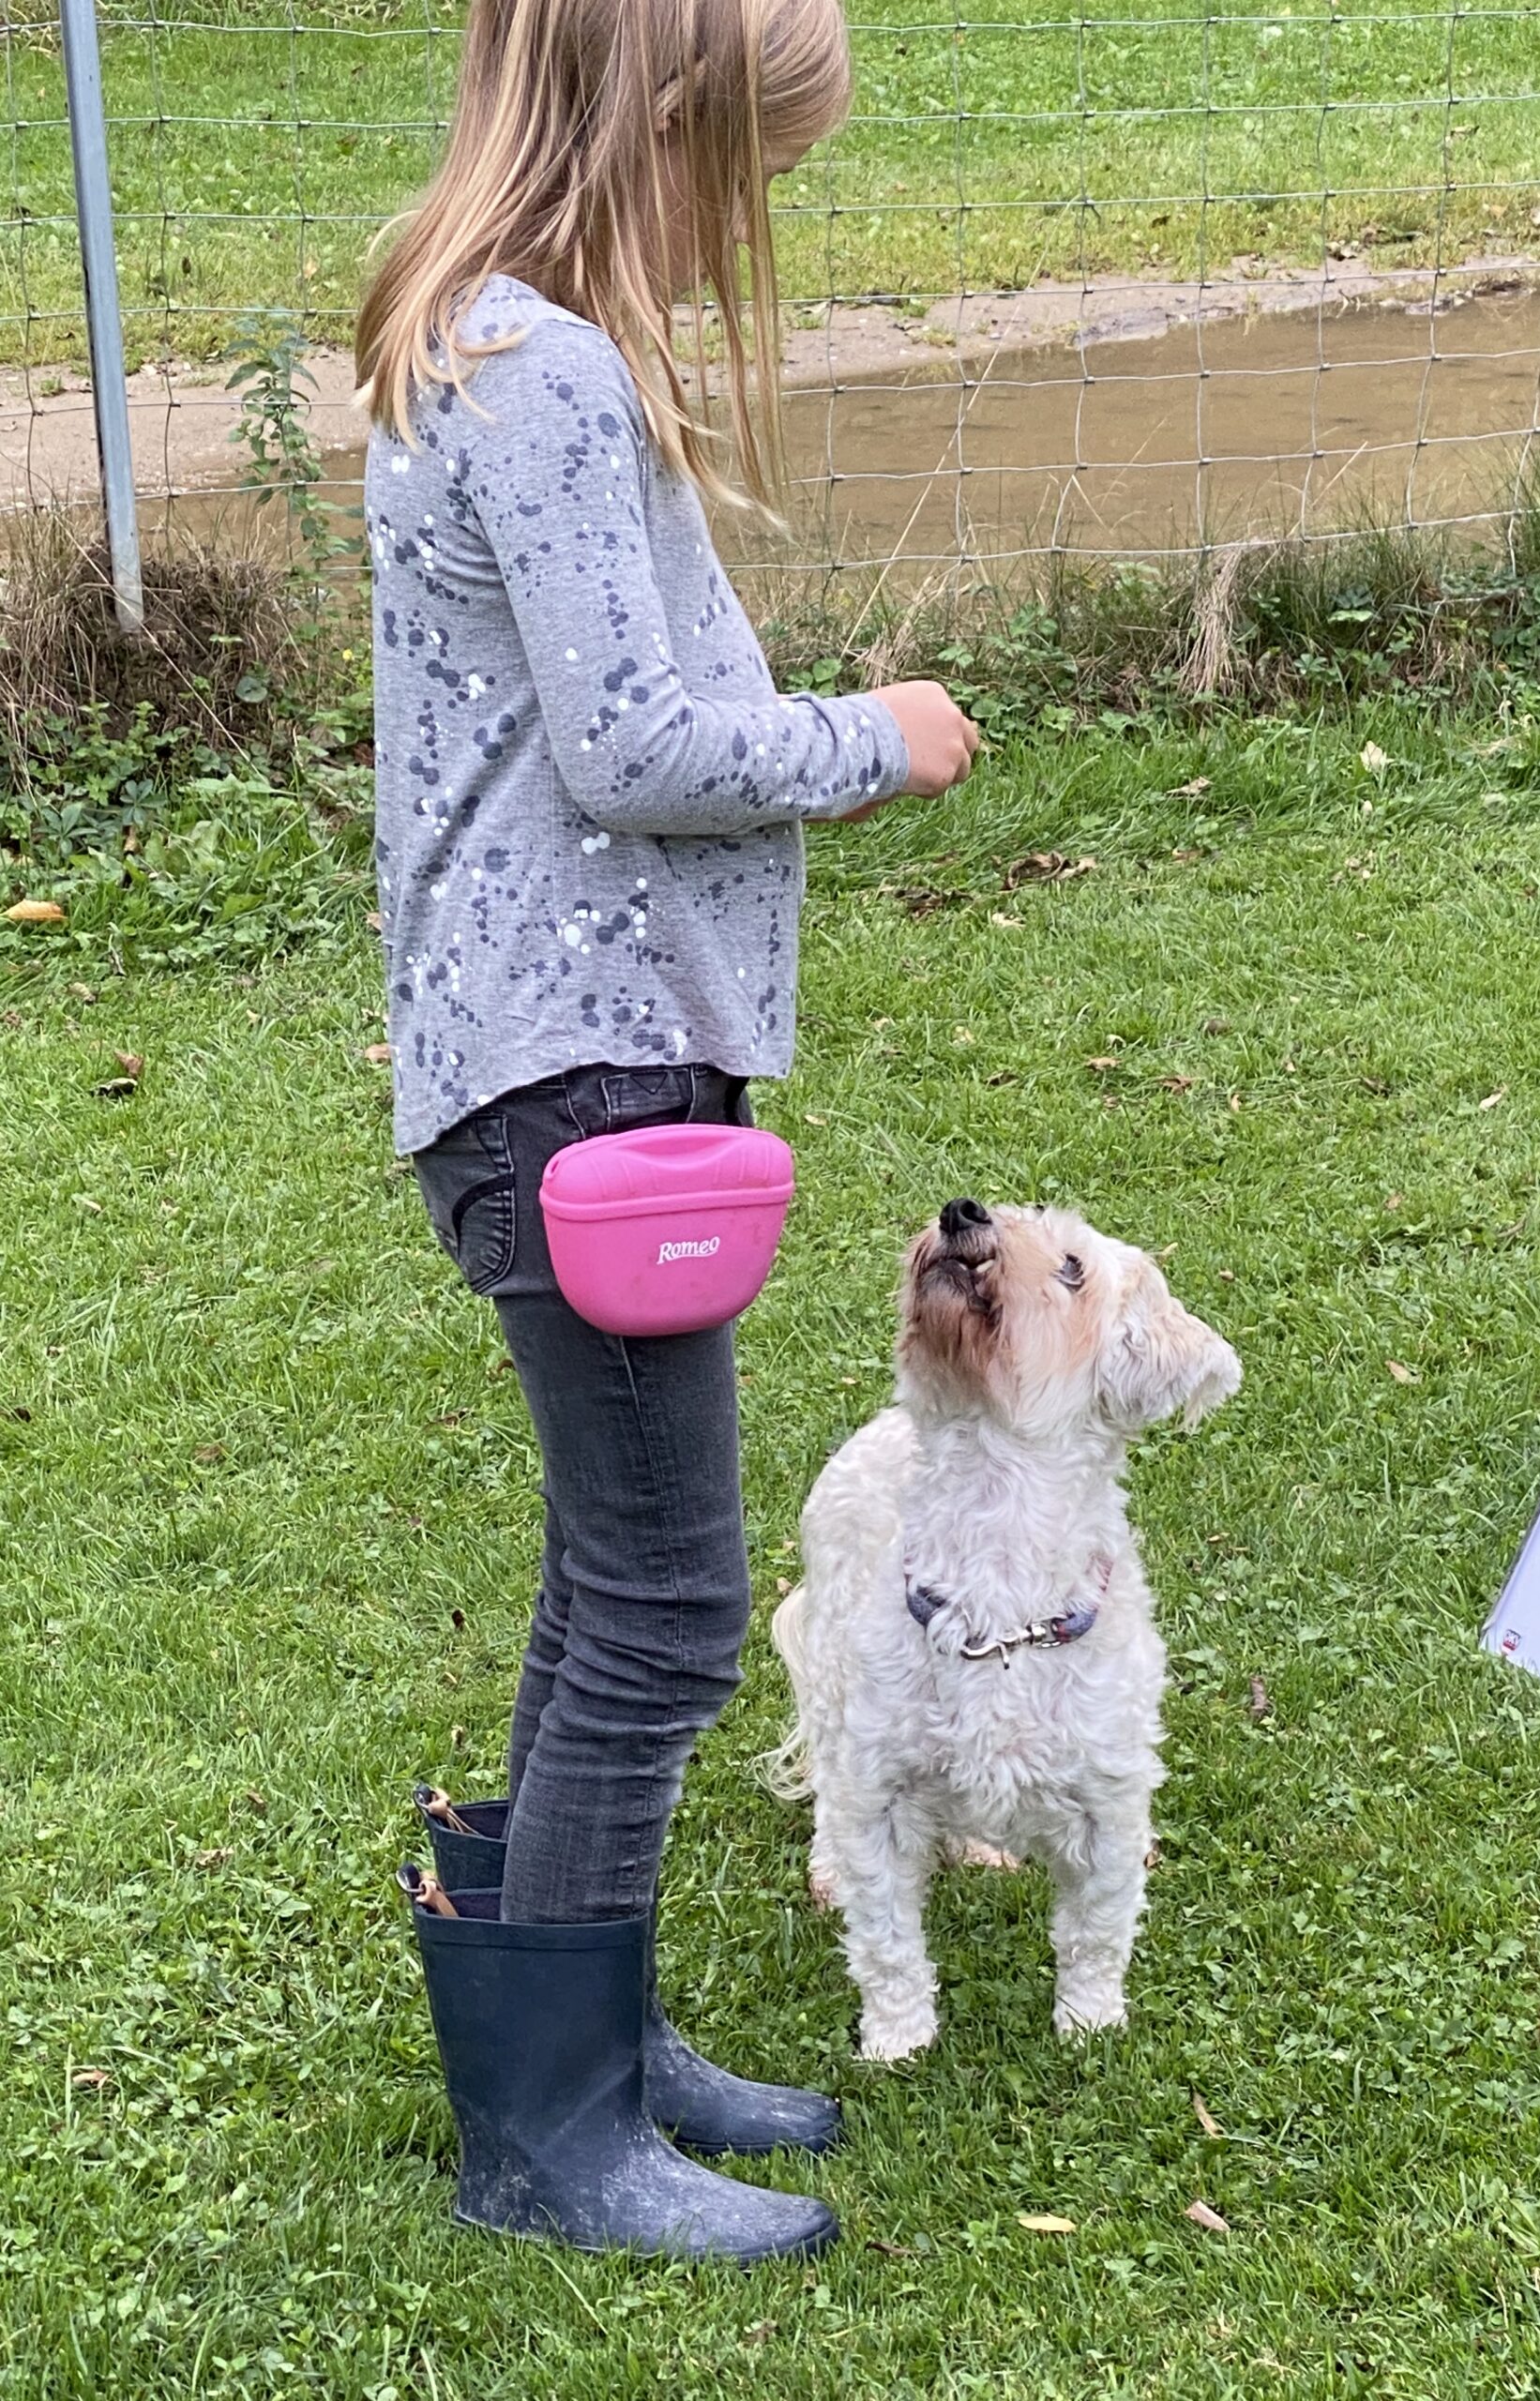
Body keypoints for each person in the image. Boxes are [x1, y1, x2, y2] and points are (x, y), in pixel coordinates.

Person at [355, 0, 979, 2264]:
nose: (752, 220)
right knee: (670, 1601)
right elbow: (632, 738)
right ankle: (557, 2137)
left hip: (552, 1063)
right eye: (753, 170)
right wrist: (873, 736)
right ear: (663, 135)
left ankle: (589, 2036)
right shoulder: (544, 371)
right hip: (577, 1073)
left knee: (612, 1574)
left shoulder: (473, 337)